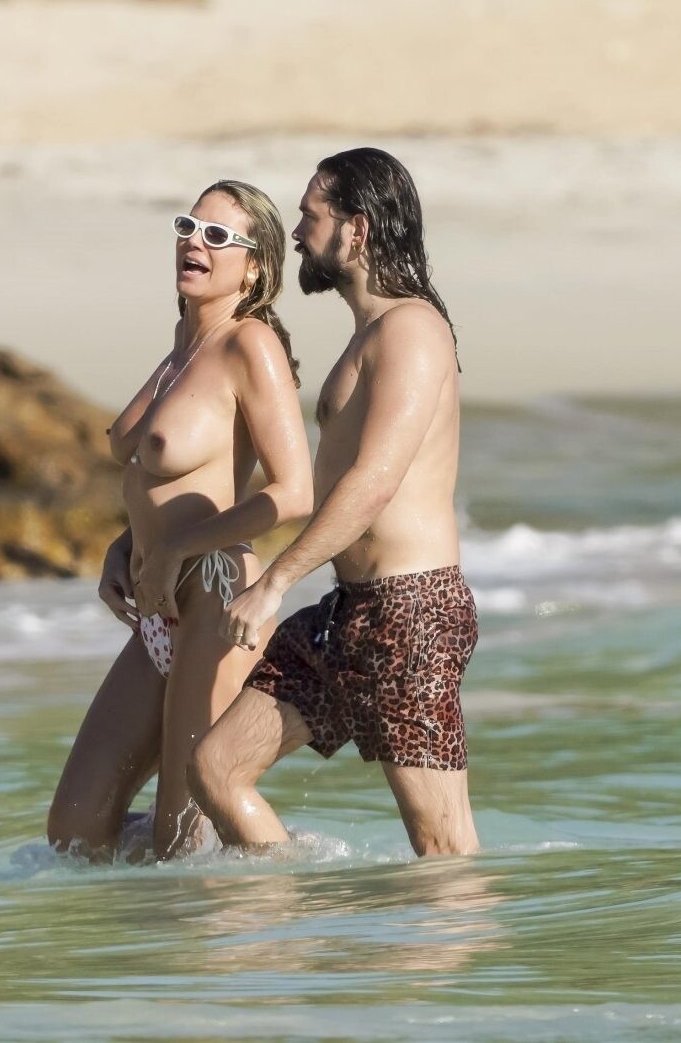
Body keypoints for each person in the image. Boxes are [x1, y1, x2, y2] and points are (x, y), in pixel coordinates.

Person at [188, 148, 481, 858]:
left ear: (357, 229)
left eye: (309, 217)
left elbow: (375, 480)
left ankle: (453, 939)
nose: (296, 233)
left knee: (442, 847)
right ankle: (298, 918)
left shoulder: (412, 329)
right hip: (350, 613)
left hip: (411, 614)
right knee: (216, 769)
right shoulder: (372, 334)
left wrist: (274, 584)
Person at [47, 180, 314, 862]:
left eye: (218, 236)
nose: (195, 242)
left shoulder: (250, 345)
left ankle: (278, 888)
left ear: (253, 267)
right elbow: (164, 479)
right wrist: (130, 545)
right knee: (76, 829)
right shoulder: (182, 345)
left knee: (182, 836)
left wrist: (174, 550)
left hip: (216, 600)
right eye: (188, 227)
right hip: (158, 605)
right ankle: (247, 869)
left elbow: (294, 493)